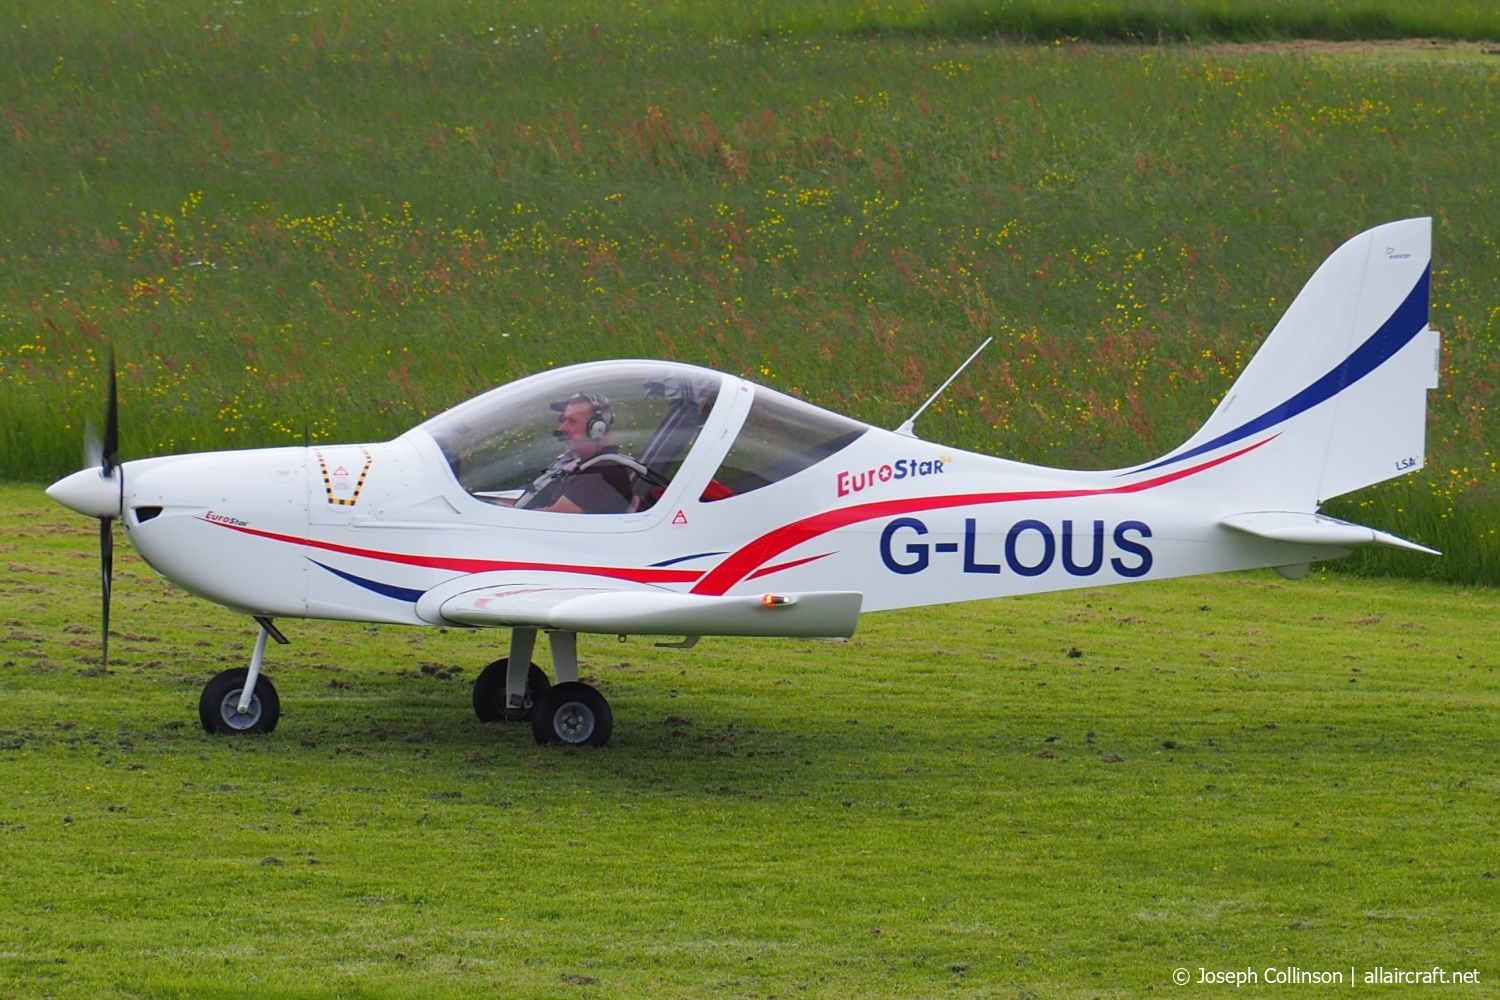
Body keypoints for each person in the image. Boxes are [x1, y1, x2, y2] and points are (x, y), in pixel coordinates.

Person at [514, 393, 634, 514]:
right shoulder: (582, 465)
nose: (562, 429)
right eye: (562, 420)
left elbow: (548, 519)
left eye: (572, 421)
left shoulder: (604, 473)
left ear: (597, 429)